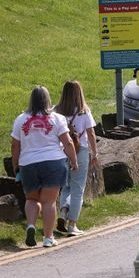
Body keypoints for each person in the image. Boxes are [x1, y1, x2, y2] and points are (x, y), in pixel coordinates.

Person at [11, 85, 76, 248]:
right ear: (48, 100)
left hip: (28, 164)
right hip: (53, 162)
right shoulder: (57, 118)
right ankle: (48, 237)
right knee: (49, 202)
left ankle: (31, 225)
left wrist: (15, 166)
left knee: (31, 199)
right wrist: (74, 161)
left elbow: (15, 146)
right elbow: (67, 142)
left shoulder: (20, 120)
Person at [54, 81, 96, 237]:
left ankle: (63, 212)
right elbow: (91, 134)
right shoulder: (84, 112)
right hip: (81, 150)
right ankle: (72, 225)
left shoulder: (56, 111)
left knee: (65, 187)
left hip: (61, 151)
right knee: (78, 189)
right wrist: (95, 153)